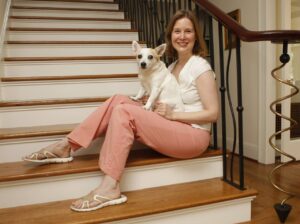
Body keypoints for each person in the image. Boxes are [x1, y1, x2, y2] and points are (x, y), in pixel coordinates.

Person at [23, 10, 219, 212]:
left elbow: (213, 114)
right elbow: (162, 98)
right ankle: (67, 145)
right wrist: (148, 102)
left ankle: (110, 186)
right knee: (119, 99)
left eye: (188, 31)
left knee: (124, 112)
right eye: (177, 31)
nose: (182, 36)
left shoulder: (200, 66)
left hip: (194, 135)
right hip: (173, 126)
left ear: (196, 35)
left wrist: (173, 115)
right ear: (170, 36)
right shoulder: (169, 67)